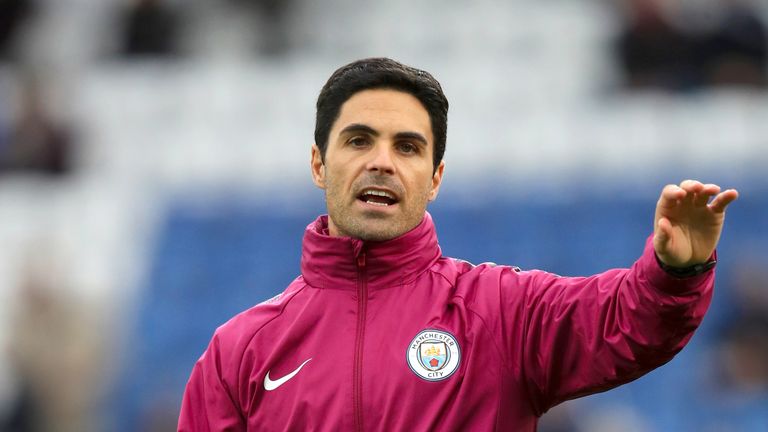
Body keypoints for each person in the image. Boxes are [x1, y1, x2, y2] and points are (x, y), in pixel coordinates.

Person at [178, 57, 739, 431]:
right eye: (358, 140)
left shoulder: (500, 310)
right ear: (319, 164)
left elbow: (624, 323)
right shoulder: (240, 352)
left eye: (407, 146)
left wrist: (674, 273)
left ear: (435, 176)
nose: (381, 161)